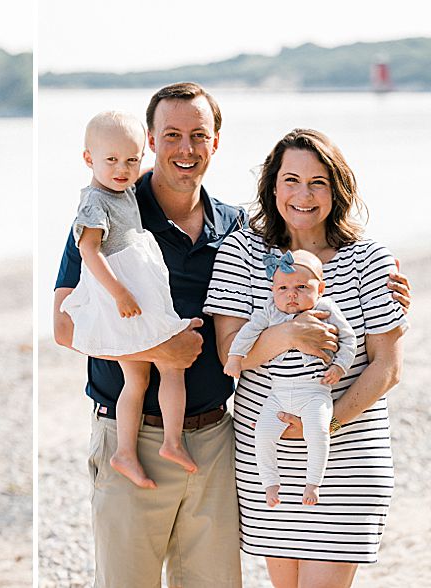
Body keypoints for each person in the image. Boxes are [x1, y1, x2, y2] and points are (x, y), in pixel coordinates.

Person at [52, 83, 411, 587]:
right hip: (134, 435)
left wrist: (383, 278)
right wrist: (160, 349)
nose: (186, 148)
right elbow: (64, 326)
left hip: (219, 441)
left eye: (198, 134)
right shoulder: (110, 213)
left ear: (215, 142)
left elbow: (309, 274)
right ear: (151, 141)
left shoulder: (236, 228)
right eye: (172, 134)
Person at [205, 129, 406, 587]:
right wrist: (289, 334)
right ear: (272, 186)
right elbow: (228, 351)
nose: (303, 194)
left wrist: (326, 421)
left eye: (318, 182)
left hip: (346, 455)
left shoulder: (369, 260)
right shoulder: (241, 253)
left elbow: (388, 365)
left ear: (336, 190)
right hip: (268, 458)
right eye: (291, 179)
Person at [60, 110, 194, 490]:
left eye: (132, 160)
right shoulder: (93, 203)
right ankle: (160, 445)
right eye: (112, 160)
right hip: (120, 295)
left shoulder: (125, 189)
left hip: (137, 289)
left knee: (141, 377)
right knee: (167, 367)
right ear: (89, 159)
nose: (123, 169)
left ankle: (132, 451)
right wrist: (119, 292)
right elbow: (88, 250)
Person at [221, 249, 355, 508]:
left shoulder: (326, 309)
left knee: (319, 432)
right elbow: (248, 332)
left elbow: (349, 339)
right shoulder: (270, 310)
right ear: (272, 291)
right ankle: (270, 484)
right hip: (278, 394)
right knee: (262, 434)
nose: (291, 294)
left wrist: (339, 366)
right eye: (282, 287)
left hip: (314, 393)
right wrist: (236, 356)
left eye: (302, 286)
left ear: (321, 289)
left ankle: (313, 483)